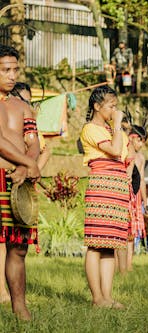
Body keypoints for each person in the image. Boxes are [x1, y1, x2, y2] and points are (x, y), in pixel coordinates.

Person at [0, 45, 41, 320]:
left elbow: (33, 140)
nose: (12, 75)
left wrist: (29, 164)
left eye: (15, 69)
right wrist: (28, 164)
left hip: (20, 181)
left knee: (19, 246)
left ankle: (20, 306)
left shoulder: (22, 105)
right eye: (5, 69)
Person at [80, 85, 129, 308]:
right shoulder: (90, 129)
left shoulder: (112, 130)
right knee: (95, 243)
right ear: (97, 107)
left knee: (110, 243)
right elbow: (115, 150)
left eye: (115, 106)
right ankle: (97, 297)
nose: (114, 110)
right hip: (102, 185)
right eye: (111, 106)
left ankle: (107, 296)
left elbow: (126, 154)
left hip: (117, 186)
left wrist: (117, 128)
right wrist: (118, 125)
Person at [117, 125, 148, 273]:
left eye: (143, 142)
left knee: (131, 235)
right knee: (120, 232)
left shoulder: (141, 158)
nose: (141, 145)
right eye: (140, 141)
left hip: (135, 197)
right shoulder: (122, 153)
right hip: (123, 195)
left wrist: (145, 200)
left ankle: (128, 266)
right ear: (132, 137)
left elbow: (141, 179)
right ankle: (118, 266)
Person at [10, 82, 51, 171]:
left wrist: (33, 171)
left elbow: (45, 152)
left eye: (28, 102)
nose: (26, 106)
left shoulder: (28, 125)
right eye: (24, 101)